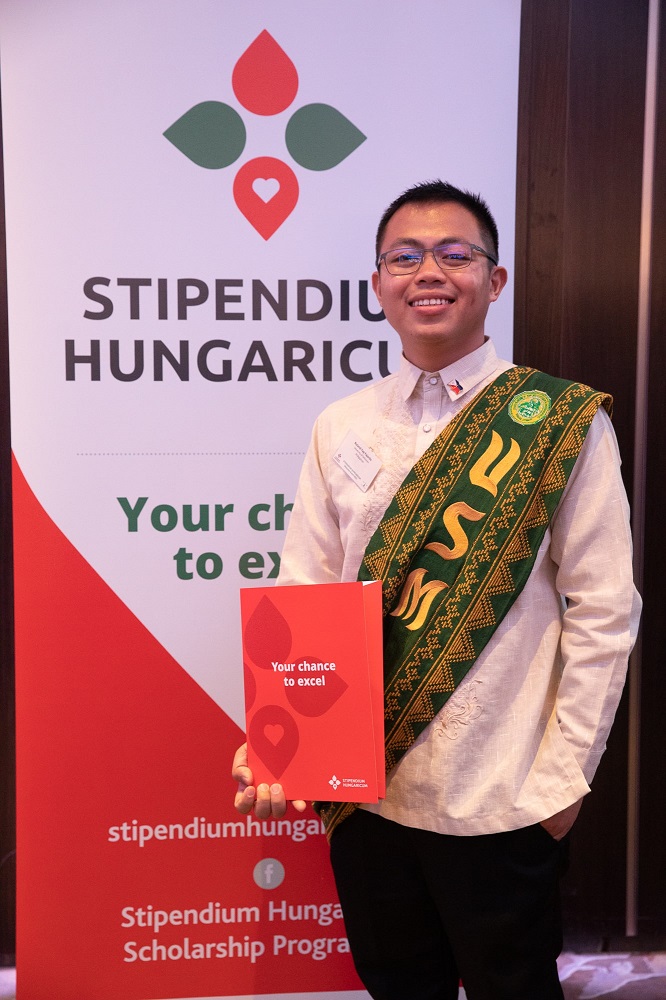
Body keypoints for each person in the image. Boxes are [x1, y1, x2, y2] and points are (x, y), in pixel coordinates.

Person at [232, 180, 641, 999]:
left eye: (456, 254)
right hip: (368, 797)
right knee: (397, 987)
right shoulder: (342, 425)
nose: (429, 271)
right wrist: (284, 745)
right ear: (378, 283)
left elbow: (605, 610)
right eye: (405, 257)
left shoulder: (559, 422)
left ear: (494, 280)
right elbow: (306, 594)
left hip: (502, 796)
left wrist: (562, 784)